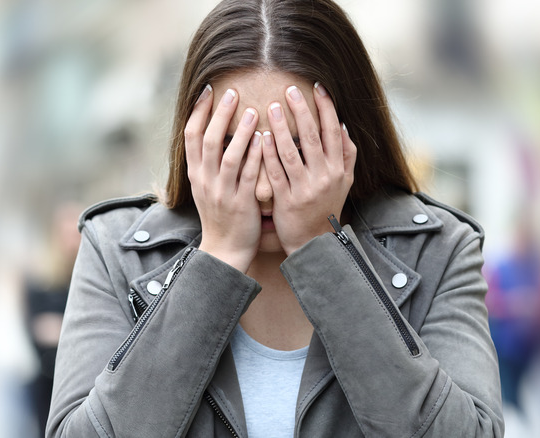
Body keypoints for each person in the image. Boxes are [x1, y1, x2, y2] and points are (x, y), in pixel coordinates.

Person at [47, 0, 503, 436]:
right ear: (193, 142)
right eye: (234, 149)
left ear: (350, 139)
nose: (265, 188)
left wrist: (320, 249)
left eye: (297, 149)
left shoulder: (440, 251)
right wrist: (217, 258)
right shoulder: (114, 250)